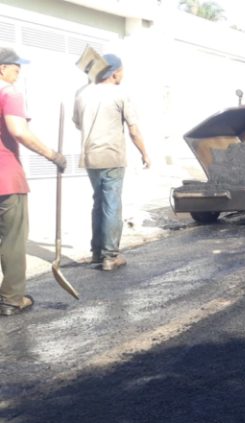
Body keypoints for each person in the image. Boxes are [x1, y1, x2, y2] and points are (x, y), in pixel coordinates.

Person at [0, 48, 66, 316]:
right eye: (15, 67)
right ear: (2, 68)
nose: (19, 72)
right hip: (6, 179)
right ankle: (12, 298)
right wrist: (52, 154)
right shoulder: (9, 92)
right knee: (13, 240)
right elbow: (18, 130)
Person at [73, 53, 150, 271]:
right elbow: (133, 130)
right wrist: (144, 153)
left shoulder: (82, 94)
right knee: (112, 204)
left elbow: (78, 123)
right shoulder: (120, 95)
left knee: (99, 202)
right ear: (115, 73)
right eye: (122, 70)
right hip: (112, 156)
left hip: (90, 157)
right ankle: (110, 256)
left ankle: (97, 252)